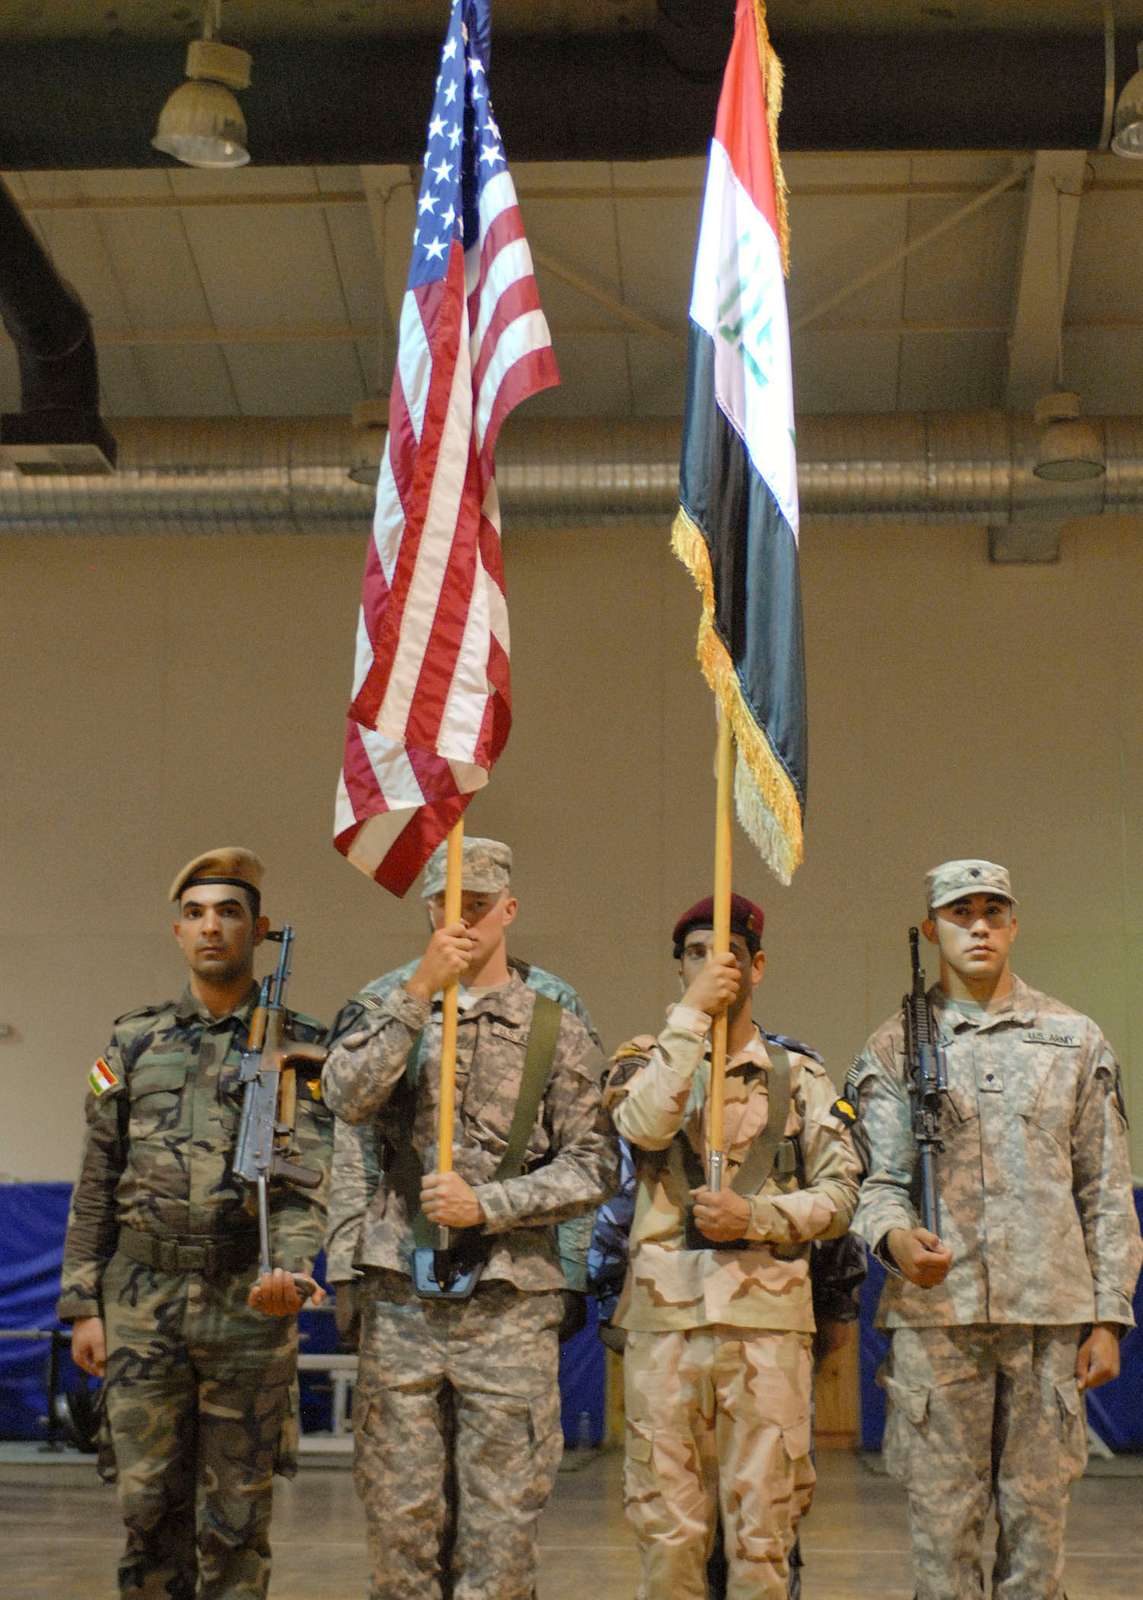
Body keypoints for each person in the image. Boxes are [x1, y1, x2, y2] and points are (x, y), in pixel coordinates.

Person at [321, 835, 617, 1600]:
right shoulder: (390, 1009)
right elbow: (344, 1099)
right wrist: (419, 992)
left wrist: (488, 1205)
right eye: (446, 908)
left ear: (508, 910)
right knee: (400, 1525)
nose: (462, 924)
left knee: (501, 1534)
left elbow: (593, 1165)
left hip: (508, 1305)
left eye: (478, 908)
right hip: (402, 1304)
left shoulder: (556, 1026)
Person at [850, 858, 1143, 1600]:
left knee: (1035, 1541)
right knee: (941, 1541)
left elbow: (1104, 1189)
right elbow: (874, 1184)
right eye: (958, 913)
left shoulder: (1072, 1040)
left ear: (1013, 924)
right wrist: (892, 1239)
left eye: (991, 911)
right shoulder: (894, 1047)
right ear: (930, 929)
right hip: (937, 1322)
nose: (977, 926)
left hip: (1047, 1326)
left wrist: (1108, 1316)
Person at [57, 848, 332, 1600]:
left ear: (259, 928)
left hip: (249, 1297)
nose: (212, 927)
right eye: (196, 913)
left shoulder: (301, 1048)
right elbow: (96, 1180)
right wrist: (84, 1305)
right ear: (176, 931)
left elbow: (313, 1178)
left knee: (238, 1519)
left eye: (230, 911)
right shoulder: (132, 1044)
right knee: (146, 1507)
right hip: (140, 1299)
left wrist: (295, 1269)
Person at [604, 893, 862, 1599]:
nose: (713, 966)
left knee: (762, 1534)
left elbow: (842, 1198)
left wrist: (755, 1216)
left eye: (729, 955)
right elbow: (646, 1128)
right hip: (665, 1323)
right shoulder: (640, 1062)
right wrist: (689, 1020)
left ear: (758, 968)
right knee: (668, 1533)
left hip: (767, 1329)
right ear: (677, 967)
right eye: (694, 954)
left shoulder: (799, 1077)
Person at [325, 953, 603, 1347]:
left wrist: (573, 1270)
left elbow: (576, 1146)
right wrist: (344, 1269)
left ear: (506, 907)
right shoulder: (385, 997)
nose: (462, 916)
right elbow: (358, 1142)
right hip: (399, 1268)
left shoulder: (552, 1001)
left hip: (514, 1271)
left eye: (479, 900)